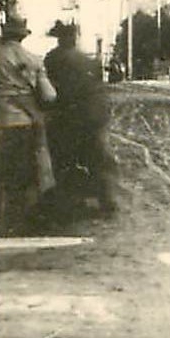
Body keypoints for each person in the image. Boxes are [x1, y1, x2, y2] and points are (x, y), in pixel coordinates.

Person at [41, 21, 118, 216]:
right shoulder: (89, 60)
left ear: (60, 39)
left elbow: (51, 91)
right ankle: (106, 198)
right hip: (94, 116)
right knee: (98, 158)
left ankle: (72, 200)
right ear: (74, 38)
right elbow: (98, 89)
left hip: (68, 117)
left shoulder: (52, 59)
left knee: (64, 157)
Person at [0, 15, 57, 235]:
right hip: (22, 122)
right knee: (24, 173)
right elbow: (49, 96)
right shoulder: (33, 60)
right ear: (22, 35)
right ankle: (19, 221)